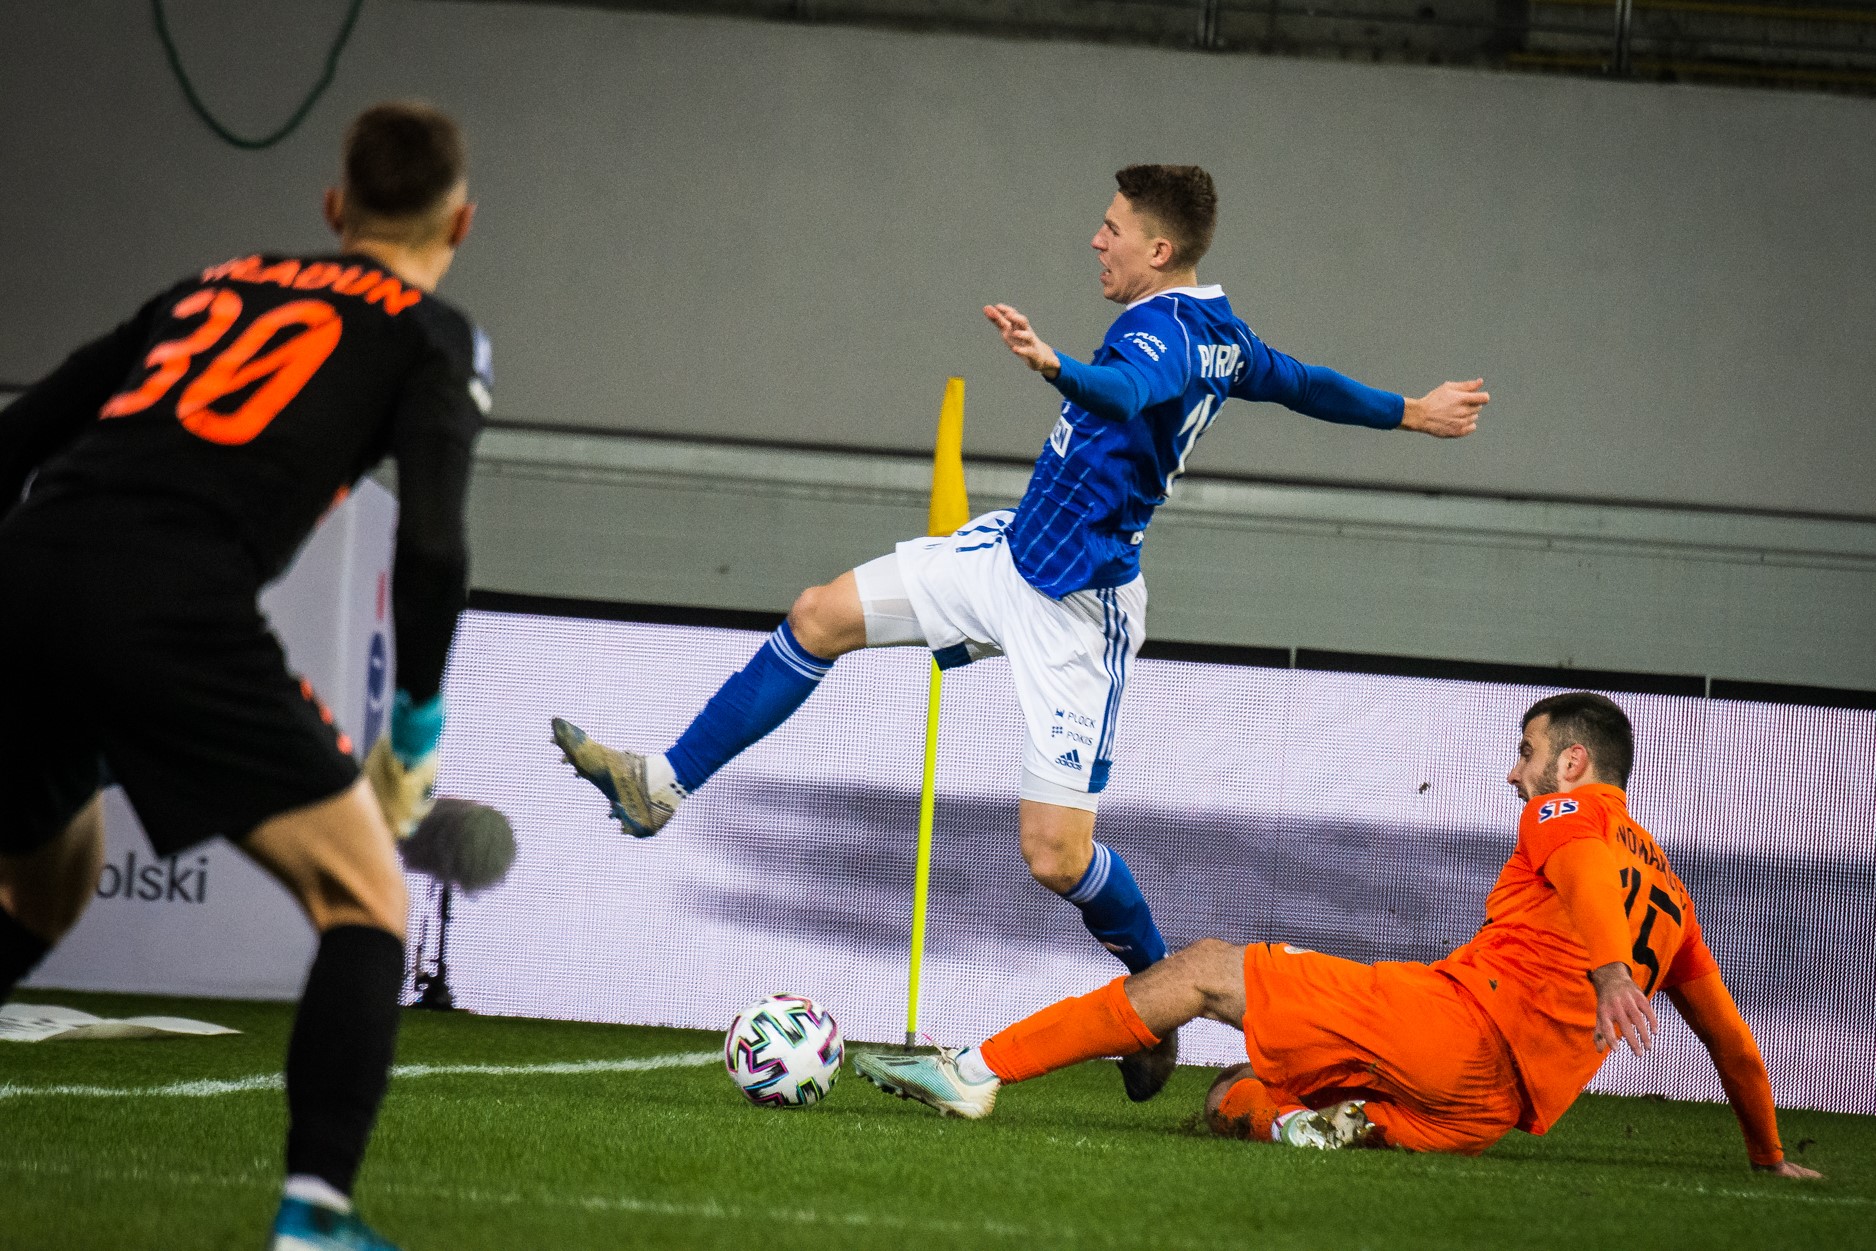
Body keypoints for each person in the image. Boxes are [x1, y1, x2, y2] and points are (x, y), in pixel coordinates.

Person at [552, 163, 1488, 1098]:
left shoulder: (1162, 334)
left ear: (1160, 249)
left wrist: (1055, 367)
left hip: (1079, 611)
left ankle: (1155, 998)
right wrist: (1410, 411)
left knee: (1055, 855)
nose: (1097, 239)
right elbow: (1305, 383)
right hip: (1010, 552)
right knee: (817, 614)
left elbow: (1125, 391)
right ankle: (660, 785)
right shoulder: (1223, 335)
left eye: (1114, 227)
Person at [0, 102, 491, 1250]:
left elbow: (19, 439)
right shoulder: (432, 335)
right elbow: (432, 547)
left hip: (24, 578)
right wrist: (416, 726)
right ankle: (315, 1218)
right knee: (363, 898)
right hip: (171, 603)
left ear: (334, 208)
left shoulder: (210, 284)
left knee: (42, 891)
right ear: (459, 222)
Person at [854, 693, 1822, 1180]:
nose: (1514, 773)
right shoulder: (1675, 899)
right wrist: (1766, 1155)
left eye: (1526, 753)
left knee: (1205, 970)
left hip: (1452, 1027)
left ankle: (972, 1070)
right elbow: (1733, 1044)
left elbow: (1580, 871)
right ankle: (1304, 1123)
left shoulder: (1566, 814)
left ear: (1573, 762)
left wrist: (1609, 967)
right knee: (1236, 1096)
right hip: (1483, 1116)